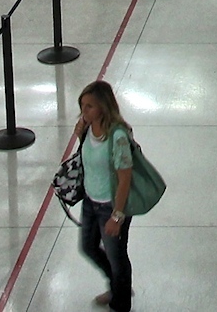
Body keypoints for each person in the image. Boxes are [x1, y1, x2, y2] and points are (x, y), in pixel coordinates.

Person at [72, 81, 139, 311]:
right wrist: (80, 136)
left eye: (90, 106)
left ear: (104, 106)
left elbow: (124, 179)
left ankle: (120, 303)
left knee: (117, 259)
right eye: (82, 106)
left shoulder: (117, 136)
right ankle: (118, 285)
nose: (84, 112)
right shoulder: (88, 127)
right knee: (88, 247)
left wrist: (117, 216)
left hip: (112, 206)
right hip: (91, 202)